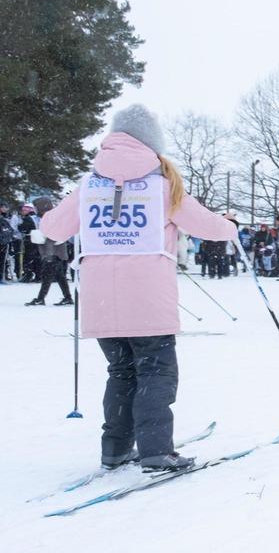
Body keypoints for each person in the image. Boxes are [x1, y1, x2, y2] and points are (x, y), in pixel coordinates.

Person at [37, 105, 238, 471]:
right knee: (156, 372)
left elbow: (52, 228)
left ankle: (115, 447)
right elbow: (209, 227)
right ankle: (156, 450)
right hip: (149, 302)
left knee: (121, 372)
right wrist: (230, 225)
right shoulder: (162, 186)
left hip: (99, 300)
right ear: (151, 143)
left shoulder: (88, 185)